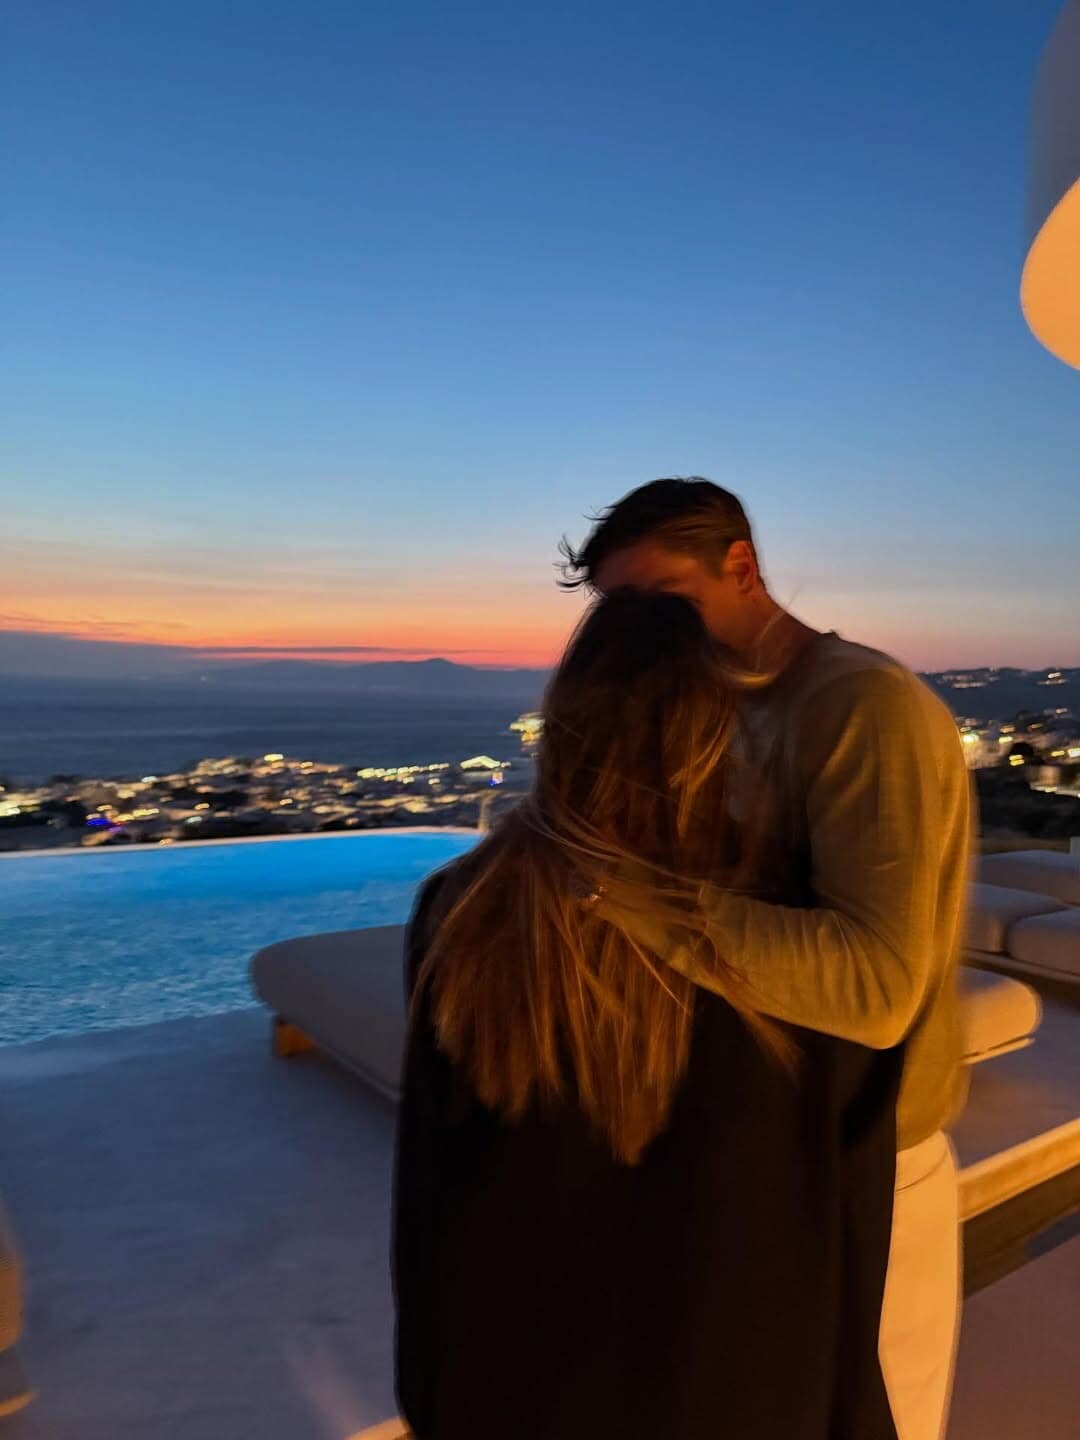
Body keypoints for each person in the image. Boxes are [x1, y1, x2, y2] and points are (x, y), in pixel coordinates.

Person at [394, 589, 901, 1440]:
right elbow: (852, 1211)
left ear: (563, 720)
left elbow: (431, 1196)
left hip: (516, 1391)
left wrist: (433, 1397)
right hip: (748, 1392)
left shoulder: (466, 907)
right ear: (726, 730)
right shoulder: (799, 928)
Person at [561, 478, 972, 1440]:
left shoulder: (859, 704)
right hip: (772, 1152)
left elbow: (875, 987)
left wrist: (620, 891)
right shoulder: (723, 704)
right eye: (620, 611)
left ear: (741, 565)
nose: (644, 636)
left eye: (663, 602)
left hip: (869, 1162)